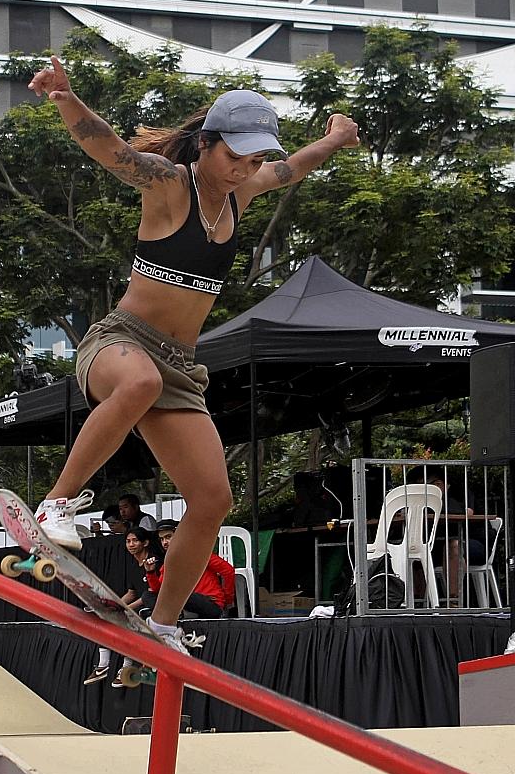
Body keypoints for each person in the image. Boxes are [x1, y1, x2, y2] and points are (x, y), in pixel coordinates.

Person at [25, 54, 360, 655]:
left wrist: (334, 138)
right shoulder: (169, 185)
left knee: (212, 500)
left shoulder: (243, 194)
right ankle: (56, 507)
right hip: (117, 343)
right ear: (205, 145)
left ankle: (162, 626)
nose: (242, 172)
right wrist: (65, 99)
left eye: (251, 161)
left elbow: (295, 167)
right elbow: (111, 152)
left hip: (177, 368)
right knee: (138, 383)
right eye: (233, 158)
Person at [85, 526, 166, 687]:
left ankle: (126, 667)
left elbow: (149, 595)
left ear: (146, 542)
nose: (131, 544)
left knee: (126, 619)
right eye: (128, 541)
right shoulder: (132, 564)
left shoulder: (153, 561)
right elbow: (131, 593)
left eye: (135, 540)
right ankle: (103, 665)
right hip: (140, 603)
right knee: (106, 616)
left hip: (154, 606)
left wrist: (125, 609)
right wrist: (113, 605)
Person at [155, 523, 232, 619]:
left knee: (180, 596)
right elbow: (160, 590)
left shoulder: (198, 553)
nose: (164, 542)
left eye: (168, 537)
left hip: (211, 603)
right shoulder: (169, 561)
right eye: (161, 539)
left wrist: (228, 601)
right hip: (187, 603)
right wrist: (150, 572)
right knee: (149, 596)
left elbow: (228, 571)